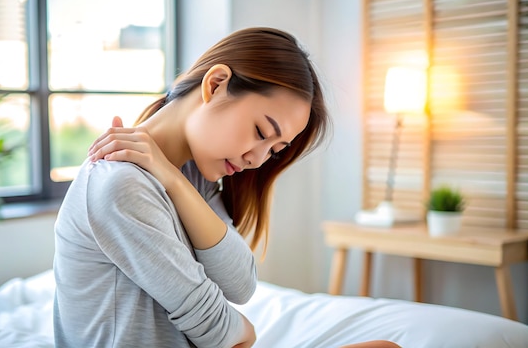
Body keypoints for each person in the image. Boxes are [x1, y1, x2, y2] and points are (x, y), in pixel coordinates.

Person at [54, 27, 399, 348]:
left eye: (274, 150)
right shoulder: (121, 183)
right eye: (262, 133)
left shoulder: (193, 175)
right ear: (216, 84)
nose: (258, 159)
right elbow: (220, 332)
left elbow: (240, 283)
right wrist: (245, 329)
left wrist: (174, 181)